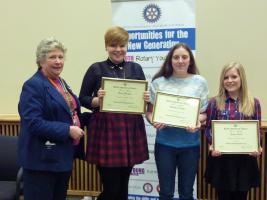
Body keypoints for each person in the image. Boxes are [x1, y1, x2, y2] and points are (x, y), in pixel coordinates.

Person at [79, 26, 149, 200]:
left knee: (123, 187)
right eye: (113, 45)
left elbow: (141, 101)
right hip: (106, 133)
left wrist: (145, 98)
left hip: (130, 132)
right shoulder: (96, 69)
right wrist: (97, 100)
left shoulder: (136, 68)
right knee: (111, 189)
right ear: (106, 47)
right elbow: (83, 98)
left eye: (122, 45)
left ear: (127, 46)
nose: (118, 49)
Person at [18, 37, 84, 200]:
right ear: (41, 61)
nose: (58, 61)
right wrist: (68, 130)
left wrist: (100, 112)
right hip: (41, 162)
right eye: (52, 57)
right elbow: (34, 123)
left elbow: (71, 112)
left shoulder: (61, 82)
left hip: (61, 157)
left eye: (61, 57)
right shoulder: (33, 85)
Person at [146, 43, 209, 200]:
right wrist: (153, 121)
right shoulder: (158, 82)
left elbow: (203, 114)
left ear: (190, 60)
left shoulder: (200, 82)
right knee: (166, 192)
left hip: (190, 146)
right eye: (176, 57)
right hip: (164, 146)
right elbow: (149, 112)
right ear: (170, 60)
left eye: (184, 57)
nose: (180, 60)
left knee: (187, 193)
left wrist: (197, 121)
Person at [204, 61, 262, 200]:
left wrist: (257, 147)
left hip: (245, 161)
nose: (229, 81)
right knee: (223, 196)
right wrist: (212, 145)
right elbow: (208, 129)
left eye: (234, 77)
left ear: (241, 78)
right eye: (226, 77)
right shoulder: (214, 102)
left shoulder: (253, 102)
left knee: (241, 197)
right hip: (221, 160)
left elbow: (257, 131)